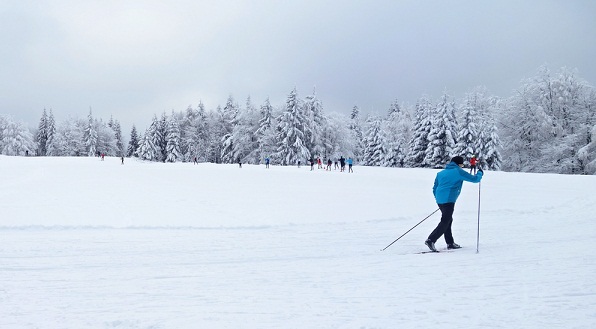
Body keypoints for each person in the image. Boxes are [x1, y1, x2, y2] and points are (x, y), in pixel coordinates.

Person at [425, 156, 483, 252]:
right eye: (462, 164)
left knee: (448, 219)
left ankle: (450, 243)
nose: (462, 166)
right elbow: (475, 179)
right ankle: (431, 240)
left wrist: (439, 198)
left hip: (440, 200)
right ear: (459, 164)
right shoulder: (458, 171)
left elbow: (435, 188)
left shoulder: (440, 173)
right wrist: (480, 173)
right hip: (449, 200)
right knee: (446, 220)